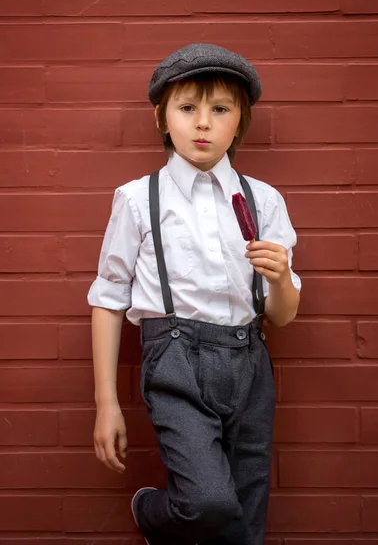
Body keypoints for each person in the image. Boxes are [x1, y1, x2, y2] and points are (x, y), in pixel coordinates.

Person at [88, 43, 301, 545]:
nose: (203, 123)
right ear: (163, 118)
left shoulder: (263, 201)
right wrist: (106, 403)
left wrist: (280, 278)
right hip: (175, 360)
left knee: (245, 518)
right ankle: (152, 511)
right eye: (188, 108)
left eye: (220, 109)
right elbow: (109, 297)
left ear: (238, 122)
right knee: (207, 501)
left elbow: (284, 316)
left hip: (250, 361)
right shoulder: (139, 200)